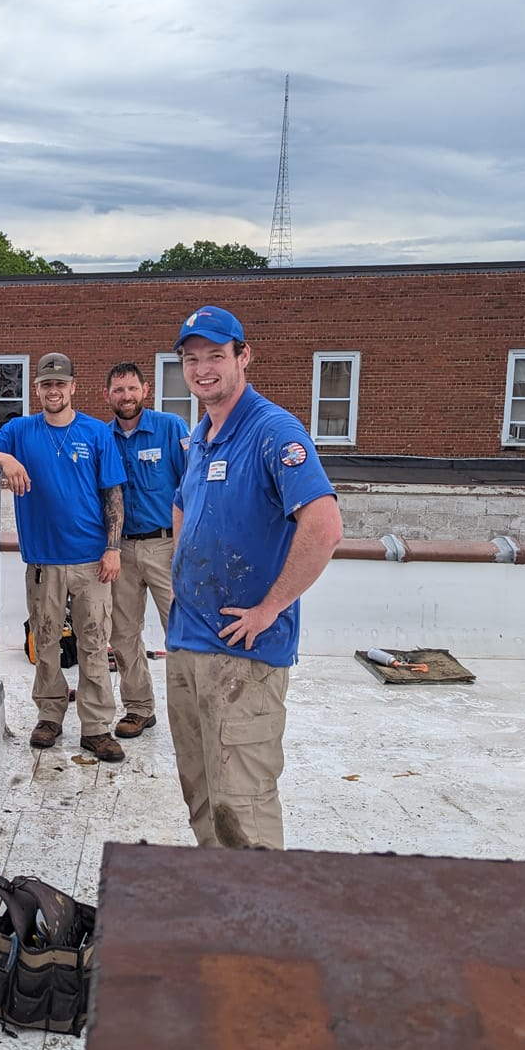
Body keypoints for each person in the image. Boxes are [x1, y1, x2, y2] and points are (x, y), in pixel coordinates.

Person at [166, 307, 343, 850]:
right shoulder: (201, 435)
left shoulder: (273, 431)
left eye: (216, 356)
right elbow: (183, 506)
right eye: (191, 359)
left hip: (244, 653)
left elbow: (324, 525)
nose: (202, 369)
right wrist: (181, 580)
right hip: (189, 643)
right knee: (202, 792)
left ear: (244, 357)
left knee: (241, 802)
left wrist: (270, 609)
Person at [0, 353, 128, 763]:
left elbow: (113, 494)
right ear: (36, 389)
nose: (53, 391)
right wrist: (6, 458)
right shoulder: (20, 430)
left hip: (91, 558)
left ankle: (96, 727)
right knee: (47, 640)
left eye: (60, 384)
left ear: (73, 387)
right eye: (45, 385)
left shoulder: (95, 433)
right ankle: (50, 715)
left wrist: (113, 547)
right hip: (42, 561)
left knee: (94, 642)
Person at [103, 362, 189, 741]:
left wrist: (189, 544)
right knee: (123, 634)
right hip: (120, 550)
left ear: (146, 389)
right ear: (107, 395)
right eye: (118, 390)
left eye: (132, 389)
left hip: (166, 546)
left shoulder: (171, 428)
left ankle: (191, 712)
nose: (126, 397)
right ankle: (139, 708)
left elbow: (193, 486)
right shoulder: (102, 437)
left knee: (183, 631)